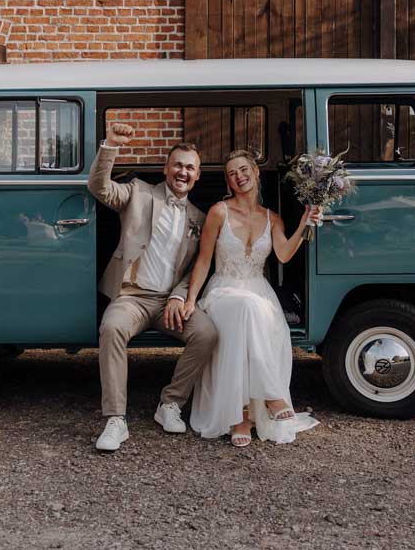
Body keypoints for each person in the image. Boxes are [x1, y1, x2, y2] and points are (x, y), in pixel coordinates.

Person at [87, 122, 218, 452]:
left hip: (169, 302)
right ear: (166, 168)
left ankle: (170, 404)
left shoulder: (200, 219)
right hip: (132, 295)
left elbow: (198, 267)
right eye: (178, 165)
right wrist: (111, 146)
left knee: (207, 333)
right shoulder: (138, 192)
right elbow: (99, 188)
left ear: (198, 175)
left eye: (190, 167)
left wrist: (179, 295)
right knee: (112, 328)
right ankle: (116, 419)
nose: (183, 172)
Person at [182, 149, 321, 447]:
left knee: (252, 312)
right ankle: (272, 396)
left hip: (258, 291)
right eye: (232, 174)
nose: (239, 177)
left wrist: (305, 223)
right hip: (222, 291)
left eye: (244, 170)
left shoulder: (273, 219)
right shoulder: (219, 211)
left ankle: (242, 416)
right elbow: (204, 261)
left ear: (256, 173)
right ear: (229, 182)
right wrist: (191, 299)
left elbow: (283, 254)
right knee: (245, 308)